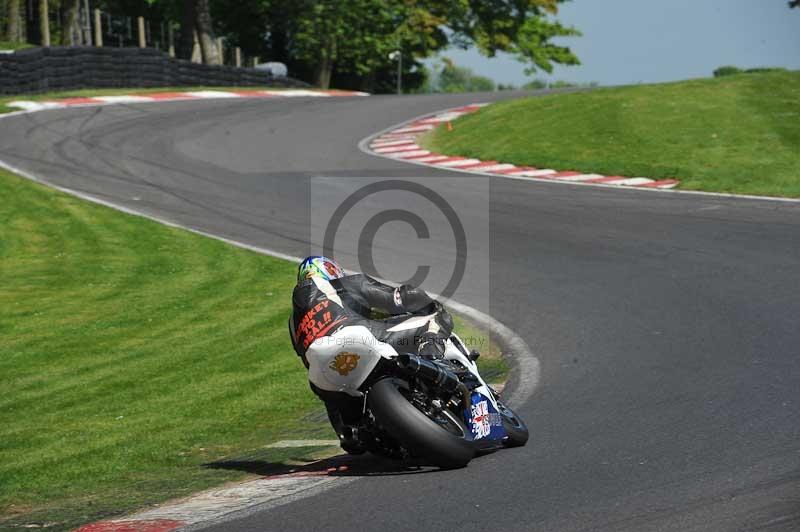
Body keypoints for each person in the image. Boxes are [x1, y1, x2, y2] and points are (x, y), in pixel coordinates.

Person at [288, 256, 453, 453]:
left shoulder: (292, 322)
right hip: (358, 337)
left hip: (323, 376)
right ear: (331, 272)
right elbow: (401, 297)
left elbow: (307, 360)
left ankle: (347, 432)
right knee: (435, 319)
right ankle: (435, 366)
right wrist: (426, 303)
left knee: (325, 384)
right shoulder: (345, 284)